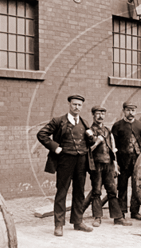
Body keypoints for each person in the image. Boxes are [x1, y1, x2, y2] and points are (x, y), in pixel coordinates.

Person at [37, 94, 93, 237]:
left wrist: (91, 138)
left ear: (82, 106)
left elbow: (90, 142)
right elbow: (42, 134)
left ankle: (78, 221)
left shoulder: (85, 122)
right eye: (74, 104)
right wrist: (55, 147)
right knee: (62, 192)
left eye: (79, 105)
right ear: (69, 105)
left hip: (81, 161)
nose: (77, 107)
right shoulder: (58, 121)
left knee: (79, 192)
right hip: (65, 161)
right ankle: (59, 225)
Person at [88, 106, 132, 227]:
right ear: (93, 115)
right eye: (97, 113)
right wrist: (97, 141)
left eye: (102, 113)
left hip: (108, 164)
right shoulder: (89, 131)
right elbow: (88, 149)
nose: (100, 116)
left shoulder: (108, 131)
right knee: (96, 191)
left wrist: (115, 164)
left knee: (112, 191)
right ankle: (97, 217)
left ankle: (117, 218)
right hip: (96, 165)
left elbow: (113, 149)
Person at [111, 101, 141, 220]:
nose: (130, 113)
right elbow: (112, 146)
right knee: (122, 187)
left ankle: (135, 211)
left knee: (136, 188)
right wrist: (115, 163)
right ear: (123, 111)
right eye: (128, 110)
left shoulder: (140, 126)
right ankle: (122, 212)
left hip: (137, 162)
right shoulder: (117, 126)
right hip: (122, 162)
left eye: (133, 110)